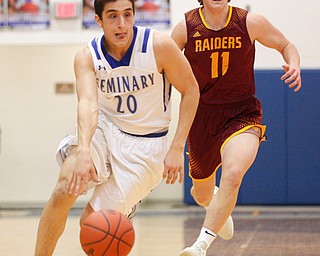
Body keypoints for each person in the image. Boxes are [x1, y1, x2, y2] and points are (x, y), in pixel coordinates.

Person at [34, 0, 199, 255]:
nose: (121, 24)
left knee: (94, 227)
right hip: (106, 129)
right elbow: (88, 104)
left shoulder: (159, 46)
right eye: (112, 16)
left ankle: (126, 206)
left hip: (147, 145)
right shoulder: (87, 56)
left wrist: (177, 147)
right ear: (98, 20)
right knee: (64, 187)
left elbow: (191, 91)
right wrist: (85, 150)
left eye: (127, 15)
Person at [171, 0, 302, 255]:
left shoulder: (249, 22)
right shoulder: (185, 28)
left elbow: (286, 45)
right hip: (202, 116)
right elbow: (161, 64)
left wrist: (294, 63)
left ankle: (200, 246)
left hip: (241, 113)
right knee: (201, 194)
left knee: (233, 172)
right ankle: (216, 204)